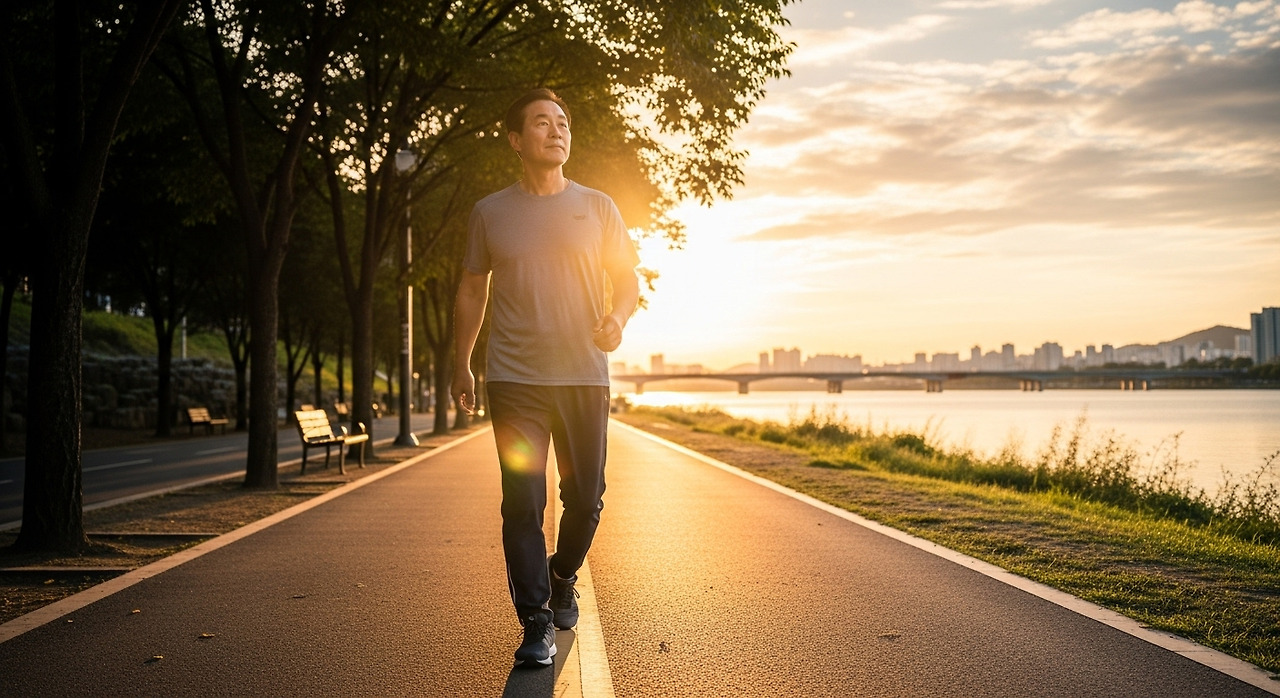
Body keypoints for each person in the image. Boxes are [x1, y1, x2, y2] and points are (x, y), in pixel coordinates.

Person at [451, 88, 640, 668]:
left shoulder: (599, 206)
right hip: (515, 380)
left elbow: (627, 280)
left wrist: (618, 316)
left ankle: (562, 575)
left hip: (584, 376)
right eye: (541, 123)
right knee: (522, 503)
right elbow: (471, 289)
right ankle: (534, 621)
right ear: (515, 140)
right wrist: (461, 361)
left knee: (586, 500)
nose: (557, 130)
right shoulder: (490, 212)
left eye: (563, 122)